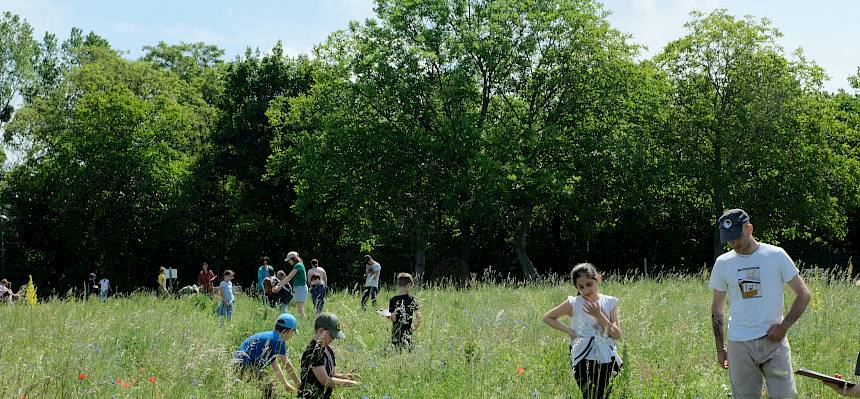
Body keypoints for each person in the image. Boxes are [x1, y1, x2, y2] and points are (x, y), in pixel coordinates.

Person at [709, 209, 812, 399]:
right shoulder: (723, 263)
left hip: (774, 343)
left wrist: (784, 326)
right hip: (739, 345)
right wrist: (720, 349)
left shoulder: (776, 255)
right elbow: (717, 310)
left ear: (749, 228)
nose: (734, 243)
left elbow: (804, 294)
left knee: (786, 396)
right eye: (729, 239)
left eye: (737, 236)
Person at [543, 263, 622, 399]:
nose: (586, 290)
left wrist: (598, 315)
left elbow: (616, 334)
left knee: (603, 394)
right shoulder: (574, 303)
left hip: (605, 355)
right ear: (576, 288)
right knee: (588, 394)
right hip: (581, 355)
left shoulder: (609, 302)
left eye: (589, 284)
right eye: (581, 287)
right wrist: (568, 330)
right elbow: (548, 317)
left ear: (598, 279)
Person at [233, 313, 302, 399]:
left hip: (238, 364)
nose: (292, 336)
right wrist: (300, 385)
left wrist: (285, 383)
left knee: (268, 387)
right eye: (293, 332)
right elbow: (287, 365)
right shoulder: (278, 340)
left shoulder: (272, 337)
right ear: (288, 331)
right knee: (270, 388)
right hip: (243, 364)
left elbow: (275, 364)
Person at [297, 313, 359, 398]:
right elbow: (325, 380)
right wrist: (351, 384)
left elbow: (333, 374)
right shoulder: (312, 352)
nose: (333, 339)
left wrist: (348, 377)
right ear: (321, 331)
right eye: (331, 335)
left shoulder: (328, 350)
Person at [388, 272, 421, 351]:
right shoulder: (413, 300)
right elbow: (419, 318)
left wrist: (388, 316)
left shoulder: (393, 300)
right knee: (408, 351)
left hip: (396, 332)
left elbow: (394, 319)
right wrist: (414, 327)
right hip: (408, 331)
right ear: (408, 285)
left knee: (396, 351)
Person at [284, 252, 308, 319]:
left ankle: (304, 321)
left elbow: (289, 277)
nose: (288, 262)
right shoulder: (298, 265)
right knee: (300, 309)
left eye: (289, 260)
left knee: (300, 309)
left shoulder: (298, 266)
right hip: (299, 289)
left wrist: (279, 286)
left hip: (301, 289)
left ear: (293, 259)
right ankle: (304, 321)